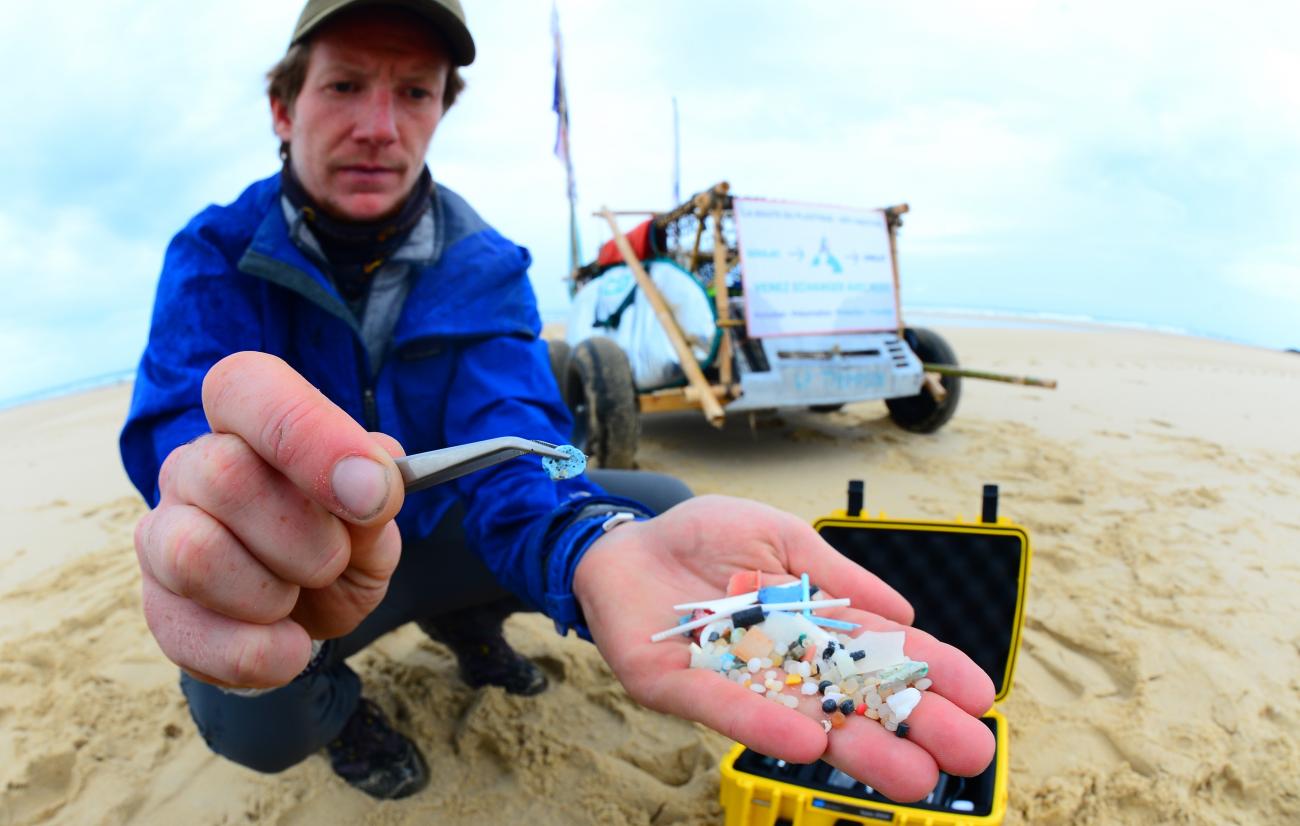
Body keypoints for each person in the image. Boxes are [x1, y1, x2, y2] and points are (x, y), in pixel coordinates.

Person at [120, 0, 997, 804]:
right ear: (284, 107)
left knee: (651, 513)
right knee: (248, 705)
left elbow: (522, 445)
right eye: (345, 85)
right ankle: (340, 708)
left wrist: (595, 542)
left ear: (440, 110)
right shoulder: (212, 255)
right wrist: (231, 508)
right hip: (316, 574)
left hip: (453, 533)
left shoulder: (487, 264)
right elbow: (177, 436)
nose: (380, 127)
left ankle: (468, 623)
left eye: (415, 92)